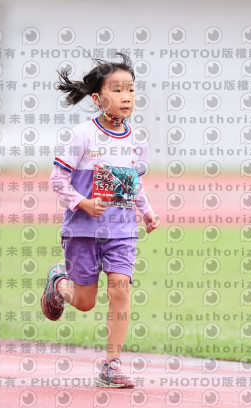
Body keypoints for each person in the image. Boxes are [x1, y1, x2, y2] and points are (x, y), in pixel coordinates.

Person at [41, 53, 159, 388]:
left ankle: (112, 364)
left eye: (131, 89)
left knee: (120, 287)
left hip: (123, 231)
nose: (126, 96)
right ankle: (59, 283)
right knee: (85, 302)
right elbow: (57, 180)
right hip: (83, 230)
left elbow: (134, 184)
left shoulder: (137, 141)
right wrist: (83, 203)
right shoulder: (81, 136)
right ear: (97, 98)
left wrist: (146, 211)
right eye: (117, 90)